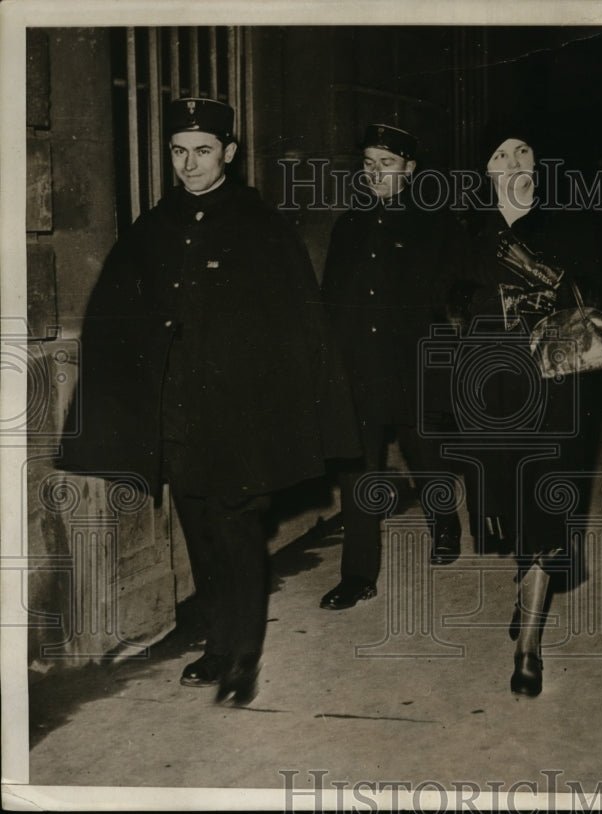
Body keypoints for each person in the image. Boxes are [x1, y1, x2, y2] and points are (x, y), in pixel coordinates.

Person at [59, 98, 360, 705]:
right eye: (178, 151)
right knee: (197, 525)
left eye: (201, 150)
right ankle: (218, 643)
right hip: (178, 414)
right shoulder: (153, 227)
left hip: (240, 415)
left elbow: (297, 330)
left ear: (228, 152)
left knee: (236, 525)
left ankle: (243, 657)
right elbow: (116, 317)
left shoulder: (261, 227)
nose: (189, 164)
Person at [449, 122, 602, 696]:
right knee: (508, 509)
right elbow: (452, 313)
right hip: (490, 394)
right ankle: (527, 584)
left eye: (524, 151)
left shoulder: (570, 225)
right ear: (487, 171)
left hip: (556, 390)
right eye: (501, 154)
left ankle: (528, 648)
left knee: (546, 510)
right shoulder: (468, 234)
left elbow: (597, 306)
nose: (514, 161)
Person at [318, 123, 464, 612]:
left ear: (409, 170)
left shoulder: (434, 224)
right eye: (369, 163)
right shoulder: (349, 226)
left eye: (387, 163)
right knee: (358, 469)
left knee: (425, 452)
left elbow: (451, 299)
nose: (376, 173)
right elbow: (331, 299)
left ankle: (445, 523)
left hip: (413, 365)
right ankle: (358, 575)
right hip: (360, 366)